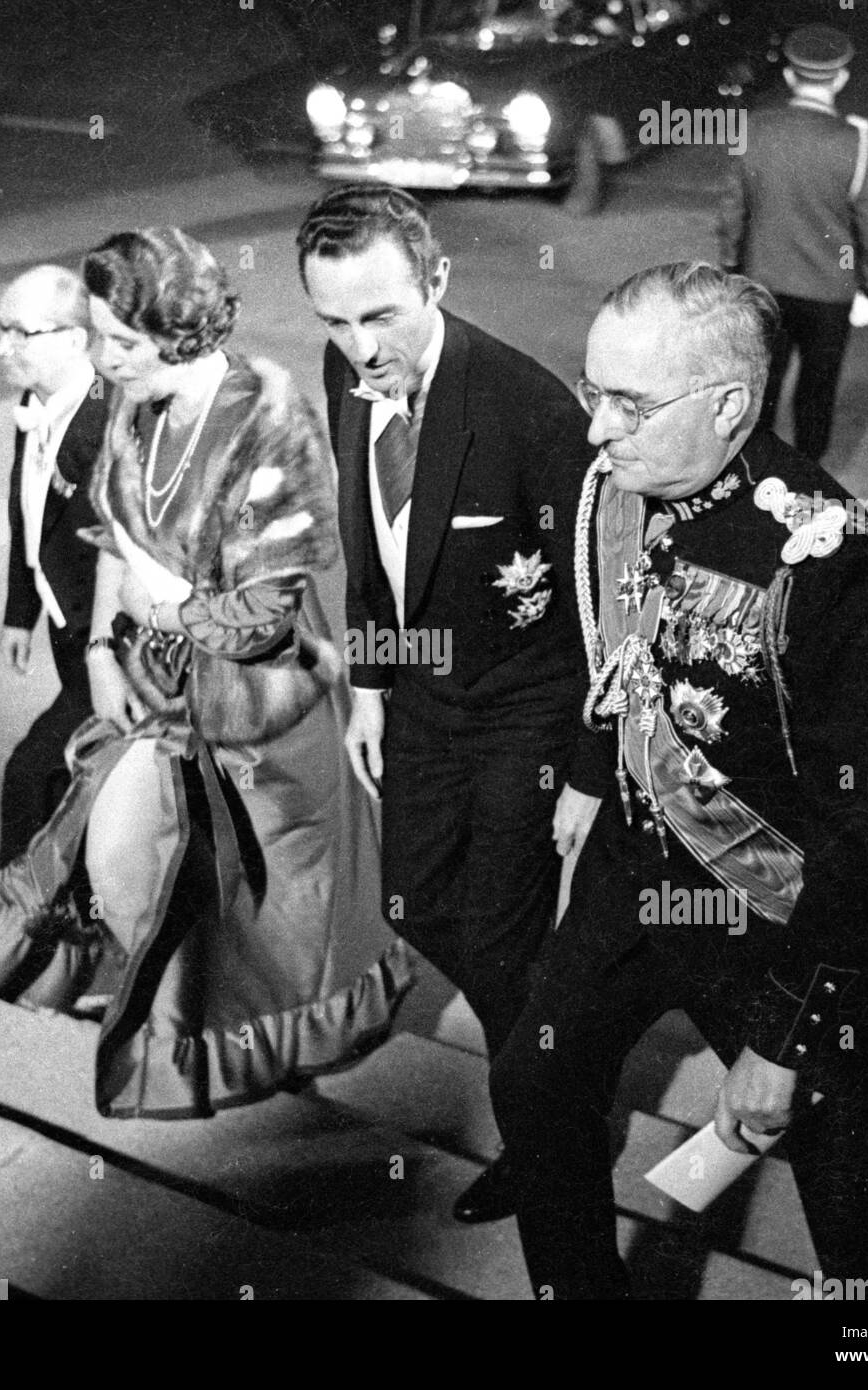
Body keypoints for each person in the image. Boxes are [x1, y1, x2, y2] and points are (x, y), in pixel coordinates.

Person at [490, 261, 868, 1298]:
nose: (596, 427)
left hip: (773, 917)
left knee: (837, 1162)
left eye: (628, 403)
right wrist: (597, 770)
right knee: (535, 1079)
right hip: (633, 868)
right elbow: (619, 652)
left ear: (729, 403)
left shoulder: (828, 561)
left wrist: (786, 1032)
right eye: (593, 389)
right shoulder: (623, 485)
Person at [0, 228, 411, 1117]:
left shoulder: (269, 416)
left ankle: (278, 1053)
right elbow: (114, 535)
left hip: (266, 709)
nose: (104, 358)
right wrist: (96, 646)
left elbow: (262, 614)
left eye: (122, 341)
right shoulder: (133, 399)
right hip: (158, 689)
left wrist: (159, 608)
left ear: (183, 332)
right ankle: (184, 1025)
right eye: (97, 336)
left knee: (278, 914)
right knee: (125, 865)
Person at [297, 185, 594, 1222]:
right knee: (413, 903)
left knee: (502, 937)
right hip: (419, 696)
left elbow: (607, 601)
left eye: (380, 314)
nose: (359, 346)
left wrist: (592, 767)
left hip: (527, 707)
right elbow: (374, 555)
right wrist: (372, 685)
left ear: (438, 281)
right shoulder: (348, 376)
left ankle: (552, 1139)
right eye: (333, 320)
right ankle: (564, 1032)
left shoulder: (531, 409)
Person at [717, 23, 868, 463]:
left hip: (763, 284)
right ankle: (807, 475)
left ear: (791, 77)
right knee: (818, 386)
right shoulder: (858, 143)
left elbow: (733, 211)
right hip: (828, 294)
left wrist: (731, 267)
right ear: (841, 78)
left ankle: (757, 472)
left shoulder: (753, 130)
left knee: (762, 385)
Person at [0, 266, 108, 873]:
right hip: (66, 625)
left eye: (20, 332)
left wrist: (102, 650)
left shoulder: (106, 423)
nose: (1, 346)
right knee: (77, 769)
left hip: (109, 642)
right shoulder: (33, 403)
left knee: (31, 771)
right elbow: (28, 515)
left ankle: (16, 913)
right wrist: (21, 612)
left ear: (74, 339)